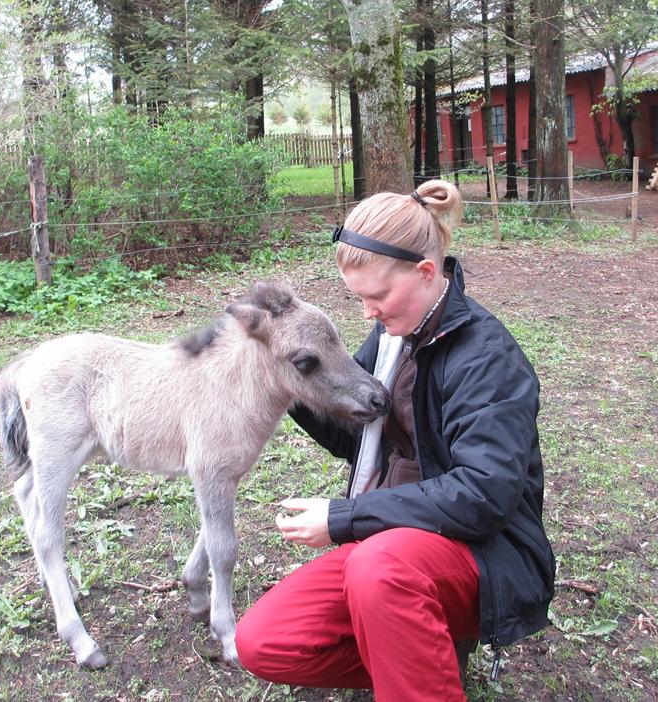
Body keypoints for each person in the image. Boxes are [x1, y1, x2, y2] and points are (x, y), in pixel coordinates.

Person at [234, 179, 555, 702]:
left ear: (426, 272)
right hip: (387, 550)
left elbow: (483, 497)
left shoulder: (487, 358)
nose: (368, 311)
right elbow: (356, 435)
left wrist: (344, 518)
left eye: (376, 296)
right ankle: (421, 651)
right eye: (358, 298)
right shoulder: (393, 336)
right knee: (264, 642)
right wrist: (292, 383)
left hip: (479, 555)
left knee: (376, 568)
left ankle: (422, 660)